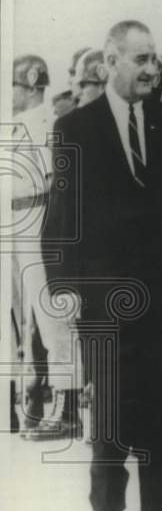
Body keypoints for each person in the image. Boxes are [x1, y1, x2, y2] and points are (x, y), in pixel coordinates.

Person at [43, 20, 162, 511]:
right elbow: (60, 218)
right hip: (102, 299)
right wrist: (63, 287)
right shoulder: (75, 127)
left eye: (155, 59)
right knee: (115, 416)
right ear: (109, 62)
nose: (151, 69)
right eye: (139, 59)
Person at [10, 55, 79, 440]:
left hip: (38, 217)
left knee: (53, 317)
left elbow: (55, 181)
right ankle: (37, 399)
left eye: (16, 86)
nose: (11, 93)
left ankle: (66, 404)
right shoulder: (15, 124)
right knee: (27, 319)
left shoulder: (43, 124)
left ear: (33, 85)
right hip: (16, 220)